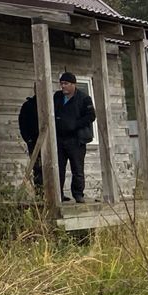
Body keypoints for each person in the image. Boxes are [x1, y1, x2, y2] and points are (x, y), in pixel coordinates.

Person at [53, 71, 96, 203]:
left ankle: (78, 194)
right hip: (60, 138)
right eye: (61, 84)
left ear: (73, 84)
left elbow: (91, 116)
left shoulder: (83, 98)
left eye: (66, 83)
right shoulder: (57, 97)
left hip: (76, 139)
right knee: (58, 167)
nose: (63, 86)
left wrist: (75, 124)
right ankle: (57, 194)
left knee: (77, 168)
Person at [18, 94, 41, 190]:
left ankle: (58, 193)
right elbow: (22, 124)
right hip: (34, 141)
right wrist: (28, 139)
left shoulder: (51, 103)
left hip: (50, 141)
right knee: (37, 167)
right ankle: (41, 192)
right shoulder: (28, 106)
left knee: (54, 167)